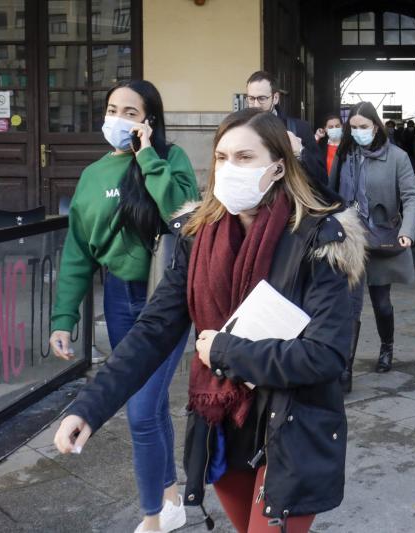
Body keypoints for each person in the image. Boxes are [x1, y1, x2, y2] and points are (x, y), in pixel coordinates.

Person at [53, 108, 367, 533]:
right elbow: (152, 330)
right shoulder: (197, 234)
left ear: (277, 166)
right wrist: (90, 408)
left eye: (244, 158)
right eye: (221, 157)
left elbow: (326, 355)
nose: (228, 169)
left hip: (292, 428)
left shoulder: (321, 239)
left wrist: (225, 351)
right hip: (224, 425)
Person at [48, 80, 200, 533]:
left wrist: (147, 156)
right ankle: (171, 497)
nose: (118, 118)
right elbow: (78, 251)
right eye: (112, 109)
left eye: (130, 112)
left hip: (166, 296)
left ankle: (152, 518)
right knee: (149, 407)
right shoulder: (93, 175)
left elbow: (183, 215)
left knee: (139, 411)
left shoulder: (171, 160)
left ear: (149, 120)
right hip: (118, 297)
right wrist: (63, 317)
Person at [329, 101, 415, 379]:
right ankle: (345, 366)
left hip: (381, 238)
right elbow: (331, 194)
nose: (358, 132)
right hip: (349, 240)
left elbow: (411, 196)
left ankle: (386, 346)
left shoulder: (397, 157)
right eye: (354, 128)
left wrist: (407, 229)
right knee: (349, 303)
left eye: (364, 127)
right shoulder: (345, 155)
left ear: (376, 126)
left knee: (381, 302)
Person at [245, 70, 328, 186]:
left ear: (275, 98)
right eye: (251, 99)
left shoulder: (300, 129)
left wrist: (300, 153)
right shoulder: (240, 130)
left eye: (262, 98)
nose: (256, 105)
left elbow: (321, 176)